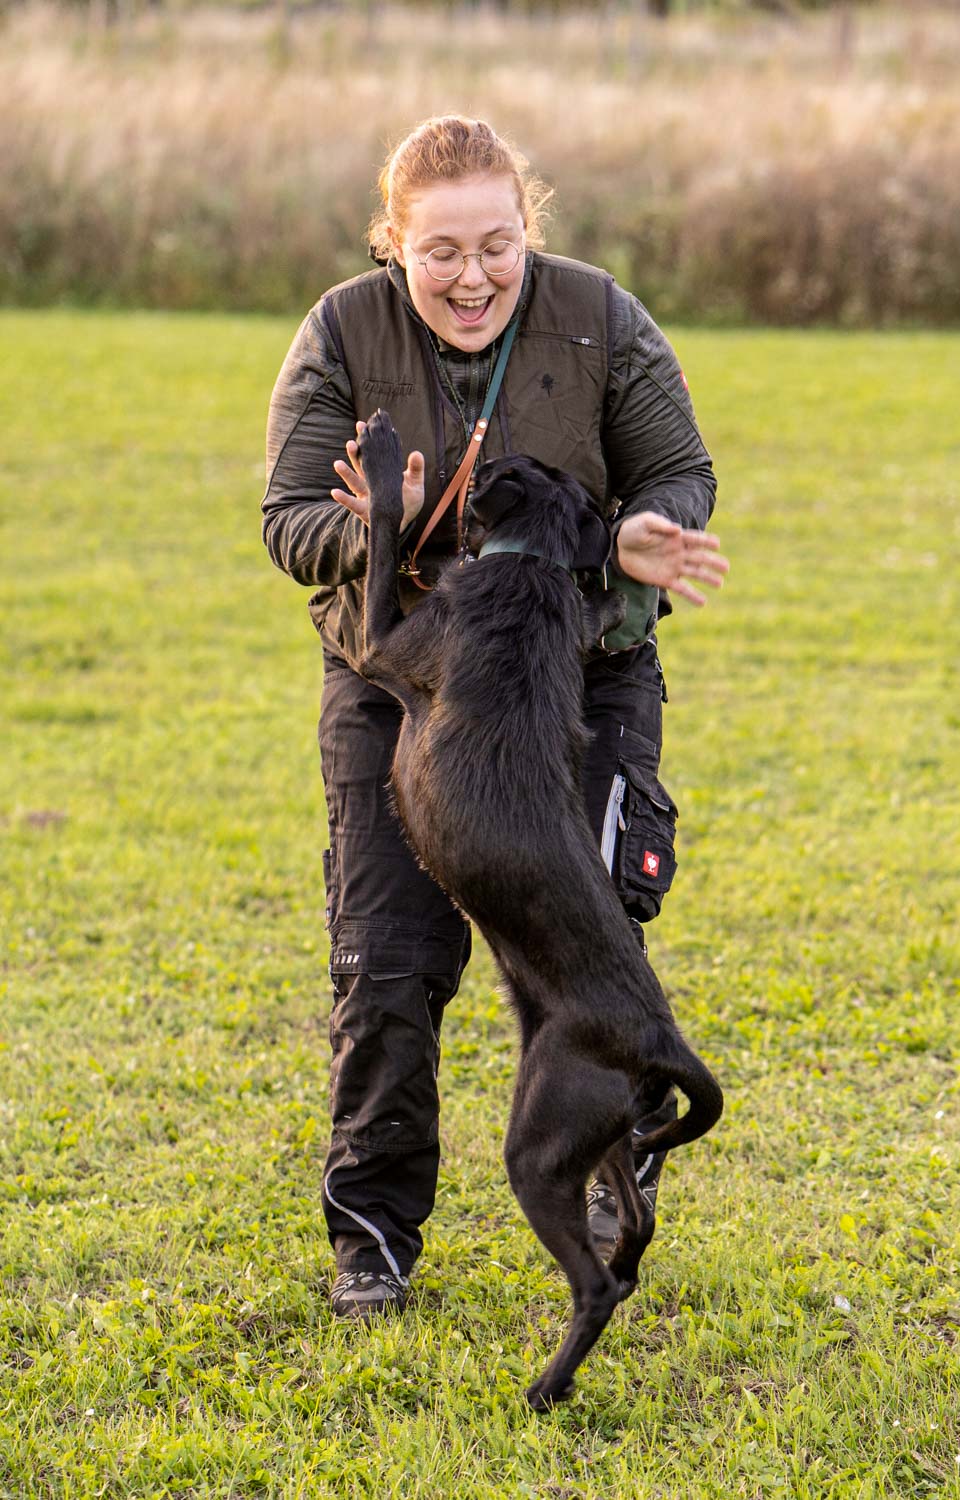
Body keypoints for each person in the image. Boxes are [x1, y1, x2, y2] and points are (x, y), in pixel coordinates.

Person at [261, 115, 728, 1321]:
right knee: (389, 964)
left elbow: (680, 470)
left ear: (530, 231)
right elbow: (285, 522)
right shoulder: (339, 334)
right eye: (440, 253)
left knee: (593, 944)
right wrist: (387, 526)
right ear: (392, 246)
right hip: (411, 691)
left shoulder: (602, 315)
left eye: (498, 247)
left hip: (579, 679)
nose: (472, 277)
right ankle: (372, 1242)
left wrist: (639, 532)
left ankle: (618, 1193)